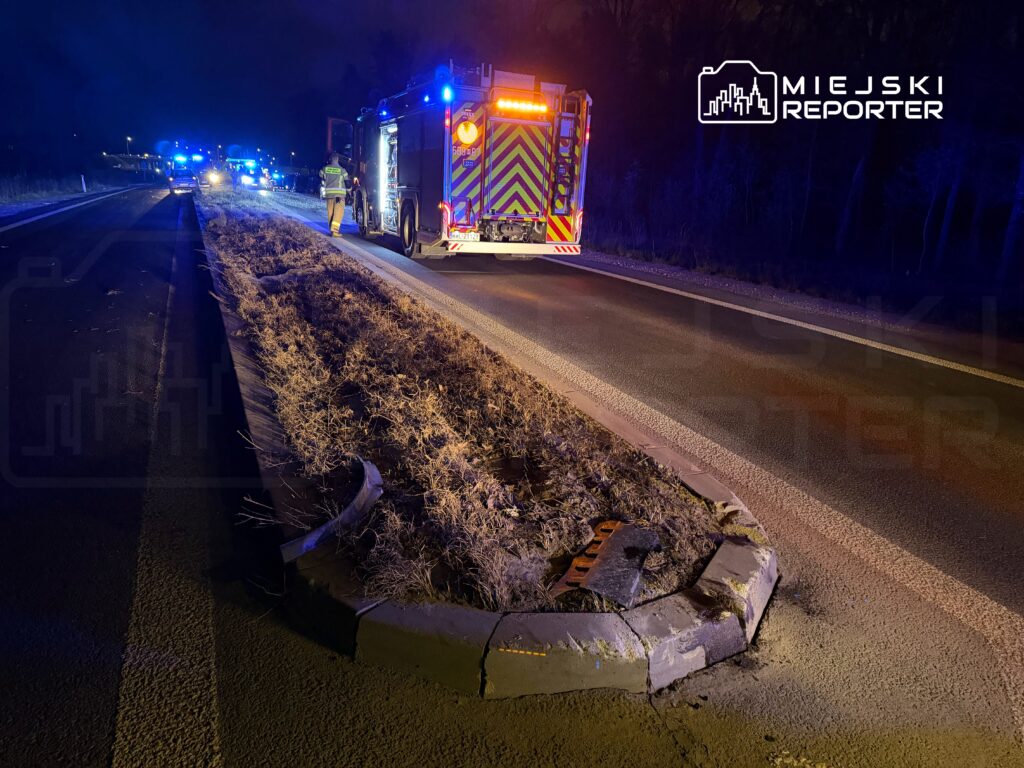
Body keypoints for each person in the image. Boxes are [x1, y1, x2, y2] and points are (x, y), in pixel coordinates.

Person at [321, 152, 348, 236]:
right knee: (338, 213)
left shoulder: (325, 169)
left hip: (329, 195)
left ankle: (331, 230)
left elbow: (321, 176)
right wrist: (350, 190)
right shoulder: (342, 170)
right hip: (339, 196)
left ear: (330, 159)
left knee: (330, 213)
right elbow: (348, 183)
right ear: (337, 159)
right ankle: (335, 231)